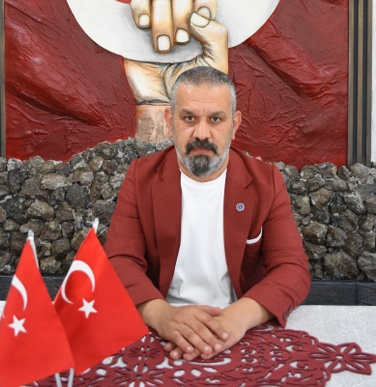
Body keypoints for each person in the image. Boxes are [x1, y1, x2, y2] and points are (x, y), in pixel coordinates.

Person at [105, 66, 311, 361]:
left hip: (238, 332)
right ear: (169, 121)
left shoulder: (266, 182)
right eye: (189, 118)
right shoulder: (141, 177)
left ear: (234, 124)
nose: (202, 133)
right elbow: (119, 261)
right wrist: (162, 315)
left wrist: (237, 318)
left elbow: (292, 269)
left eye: (215, 119)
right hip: (162, 332)